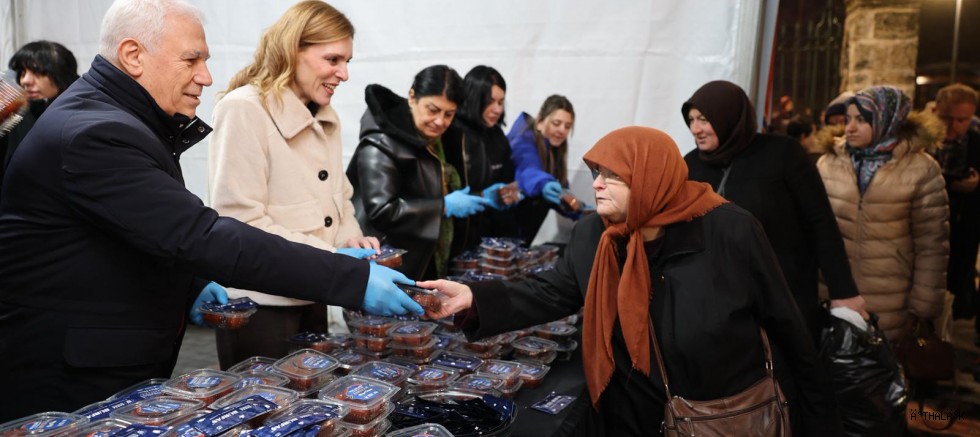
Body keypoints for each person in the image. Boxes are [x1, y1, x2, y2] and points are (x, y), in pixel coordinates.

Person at [0, 0, 421, 420]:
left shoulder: (114, 118)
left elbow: (136, 229)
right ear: (133, 56)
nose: (206, 76)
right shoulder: (97, 133)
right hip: (69, 377)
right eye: (191, 60)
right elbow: (200, 235)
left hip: (99, 358)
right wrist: (351, 277)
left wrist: (191, 283)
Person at [420, 126, 839, 436]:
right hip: (632, 417)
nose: (596, 184)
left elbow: (786, 325)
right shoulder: (596, 235)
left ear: (651, 177)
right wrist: (473, 297)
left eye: (612, 175)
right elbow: (552, 289)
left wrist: (819, 420)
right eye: (595, 171)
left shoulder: (729, 230)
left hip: (720, 415)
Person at [208, 1, 378, 369]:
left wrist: (352, 239)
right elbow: (240, 221)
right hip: (260, 306)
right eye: (333, 60)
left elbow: (340, 198)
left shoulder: (324, 117)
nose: (344, 74)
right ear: (293, 49)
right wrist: (333, 260)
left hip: (313, 290)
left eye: (347, 61)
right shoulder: (244, 109)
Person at [682, 80, 865, 343]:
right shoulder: (690, 166)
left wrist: (843, 290)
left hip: (784, 296)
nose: (695, 129)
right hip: (719, 304)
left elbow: (820, 224)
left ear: (728, 116)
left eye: (703, 119)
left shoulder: (782, 155)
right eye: (691, 120)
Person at [815, 85, 949, 341]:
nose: (850, 128)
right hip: (833, 292)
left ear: (888, 120)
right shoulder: (829, 162)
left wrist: (923, 308)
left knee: (881, 372)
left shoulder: (921, 169)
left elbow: (932, 245)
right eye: (848, 119)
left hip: (890, 298)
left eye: (862, 120)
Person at [347, 65, 490, 279]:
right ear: (412, 97)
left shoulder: (442, 139)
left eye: (449, 114)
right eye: (432, 110)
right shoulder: (381, 142)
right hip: (390, 262)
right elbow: (382, 210)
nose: (440, 121)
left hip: (427, 257)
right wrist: (443, 207)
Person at [442, 65, 521, 250]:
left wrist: (509, 194)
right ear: (473, 97)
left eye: (500, 102)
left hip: (489, 238)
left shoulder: (497, 135)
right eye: (490, 101)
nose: (496, 109)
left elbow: (508, 178)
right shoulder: (452, 133)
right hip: (456, 237)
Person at [930, 84, 979, 332]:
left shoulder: (975, 143)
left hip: (963, 227)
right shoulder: (922, 143)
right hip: (928, 224)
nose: (954, 126)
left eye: (962, 119)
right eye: (947, 118)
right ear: (935, 111)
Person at [507, 94, 590, 242]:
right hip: (505, 234)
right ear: (539, 122)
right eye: (556, 123)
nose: (562, 130)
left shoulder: (555, 149)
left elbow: (560, 192)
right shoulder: (522, 141)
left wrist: (578, 208)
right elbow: (528, 170)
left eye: (567, 126)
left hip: (524, 237)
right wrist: (543, 183)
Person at [0, 41, 78, 193]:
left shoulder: (82, 115)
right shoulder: (15, 112)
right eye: (22, 73)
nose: (26, 81)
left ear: (63, 76)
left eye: (38, 72)